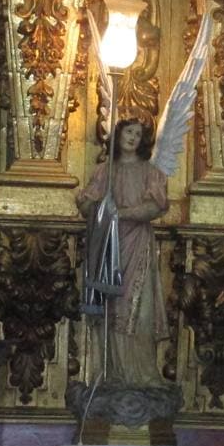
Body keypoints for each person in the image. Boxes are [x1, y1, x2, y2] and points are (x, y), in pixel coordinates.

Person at [77, 118, 170, 386]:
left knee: (138, 308)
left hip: (136, 243)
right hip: (108, 243)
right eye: (128, 131)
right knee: (111, 306)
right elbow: (87, 206)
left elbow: (155, 207)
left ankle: (141, 374)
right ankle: (112, 372)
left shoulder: (149, 172)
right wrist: (94, 206)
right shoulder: (105, 172)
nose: (133, 137)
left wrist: (123, 213)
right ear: (117, 135)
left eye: (138, 134)